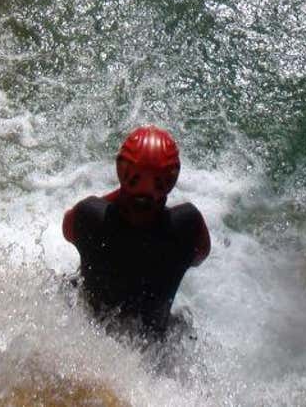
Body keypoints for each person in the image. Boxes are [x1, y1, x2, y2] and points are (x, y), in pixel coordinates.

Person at [62, 125, 211, 337]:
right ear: (171, 179)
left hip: (89, 336)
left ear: (121, 170)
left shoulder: (89, 215)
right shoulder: (188, 225)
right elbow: (200, 256)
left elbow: (68, 229)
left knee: (68, 285)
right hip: (151, 347)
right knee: (181, 324)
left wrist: (127, 191)